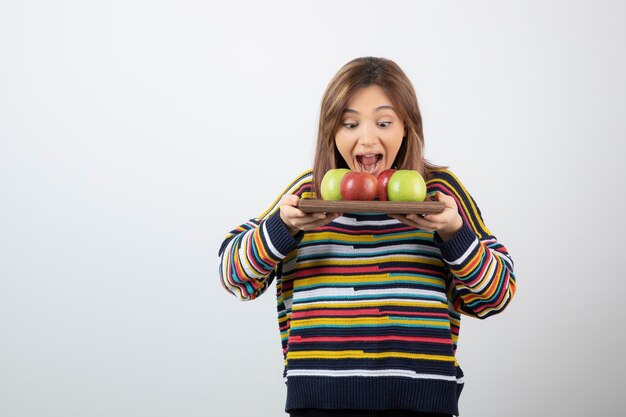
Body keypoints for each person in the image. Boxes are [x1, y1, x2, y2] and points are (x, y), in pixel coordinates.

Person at [218, 57, 516, 417]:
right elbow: (234, 277)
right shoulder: (308, 196)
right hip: (319, 402)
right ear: (332, 131)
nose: (367, 137)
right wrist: (284, 227)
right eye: (350, 123)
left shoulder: (438, 195)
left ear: (407, 127)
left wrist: (453, 232)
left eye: (384, 122)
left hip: (423, 404)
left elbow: (496, 296)